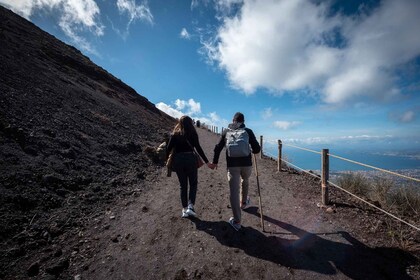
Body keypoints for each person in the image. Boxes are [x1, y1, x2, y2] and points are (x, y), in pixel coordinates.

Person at [210, 112, 260, 231]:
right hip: (247, 164)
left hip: (232, 165)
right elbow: (257, 150)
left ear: (233, 120)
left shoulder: (226, 132)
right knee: (245, 180)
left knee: (234, 191)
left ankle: (237, 221)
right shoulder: (248, 131)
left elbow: (217, 148)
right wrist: (251, 149)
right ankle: (243, 203)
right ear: (243, 121)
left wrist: (215, 162)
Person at [166, 116, 212, 218]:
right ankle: (190, 207)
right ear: (191, 123)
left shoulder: (175, 134)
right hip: (190, 159)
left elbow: (168, 149)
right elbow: (199, 148)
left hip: (178, 160)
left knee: (183, 186)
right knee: (193, 183)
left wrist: (167, 161)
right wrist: (207, 162)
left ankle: (184, 209)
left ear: (180, 123)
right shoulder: (193, 133)